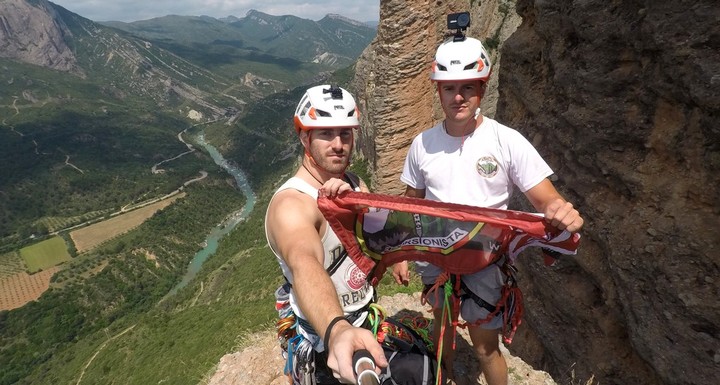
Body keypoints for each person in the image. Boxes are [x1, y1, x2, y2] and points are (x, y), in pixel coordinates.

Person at [393, 33, 585, 385]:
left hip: (485, 258)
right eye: (449, 88)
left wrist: (562, 211)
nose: (459, 96)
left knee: (485, 347)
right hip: (436, 254)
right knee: (443, 329)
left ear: (481, 87)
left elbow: (546, 198)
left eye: (468, 86)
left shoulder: (505, 141)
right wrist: (401, 252)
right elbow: (411, 203)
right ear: (439, 91)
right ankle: (443, 377)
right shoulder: (423, 144)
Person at [265, 85, 387, 384]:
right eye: (325, 133)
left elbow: (378, 234)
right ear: (304, 137)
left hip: (366, 317)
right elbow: (304, 262)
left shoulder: (355, 184)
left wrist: (355, 209)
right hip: (324, 338)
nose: (338, 144)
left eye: (345, 133)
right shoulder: (292, 205)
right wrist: (338, 330)